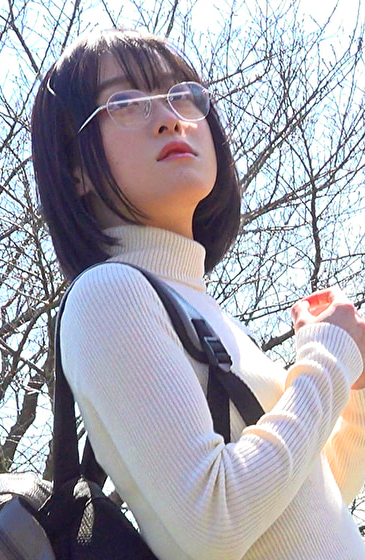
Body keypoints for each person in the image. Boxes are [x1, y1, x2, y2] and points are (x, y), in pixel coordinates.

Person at [31, 28, 365, 560]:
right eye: (124, 102)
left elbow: (301, 508)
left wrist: (354, 391)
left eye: (181, 94)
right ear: (75, 171)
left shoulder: (200, 308)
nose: (169, 117)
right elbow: (215, 523)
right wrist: (327, 359)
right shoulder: (109, 294)